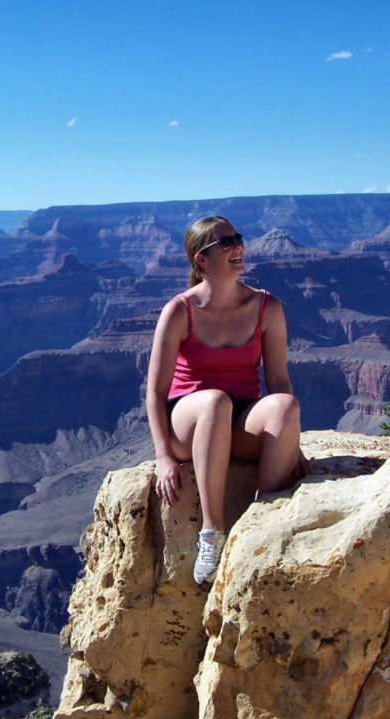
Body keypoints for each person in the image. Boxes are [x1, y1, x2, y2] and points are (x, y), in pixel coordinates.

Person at [145, 215, 304, 584]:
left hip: (238, 423)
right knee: (215, 401)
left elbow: (278, 381)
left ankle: (259, 523)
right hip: (188, 424)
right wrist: (164, 457)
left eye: (239, 238)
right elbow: (154, 393)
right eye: (226, 242)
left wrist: (289, 443)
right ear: (202, 259)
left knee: (286, 406)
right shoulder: (180, 311)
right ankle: (212, 534)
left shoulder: (267, 308)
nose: (238, 247)